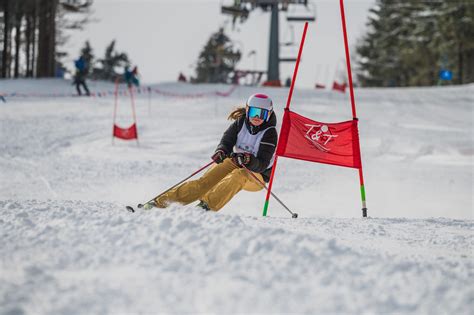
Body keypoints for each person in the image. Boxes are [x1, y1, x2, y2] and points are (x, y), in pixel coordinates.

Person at [145, 93, 278, 212]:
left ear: (269, 114)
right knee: (206, 182)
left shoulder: (270, 133)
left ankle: (206, 207)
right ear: (248, 110)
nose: (256, 117)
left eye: (262, 114)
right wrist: (221, 151)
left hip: (257, 176)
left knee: (240, 175)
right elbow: (227, 140)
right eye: (254, 111)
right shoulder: (240, 122)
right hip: (236, 161)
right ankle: (161, 202)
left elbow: (262, 163)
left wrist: (247, 160)